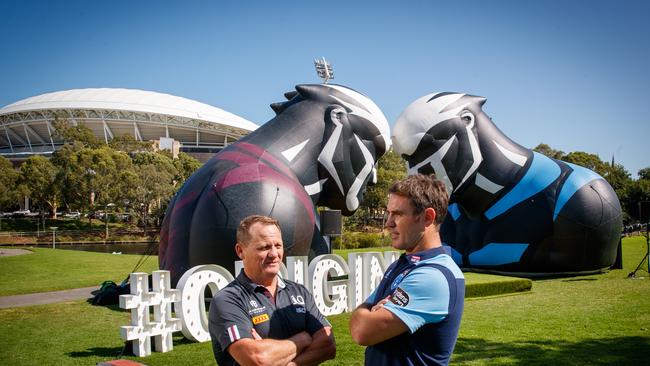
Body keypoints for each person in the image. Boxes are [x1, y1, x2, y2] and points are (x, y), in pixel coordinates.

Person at [349, 174, 465, 366]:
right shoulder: (403, 263)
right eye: (389, 213)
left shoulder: (434, 276)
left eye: (398, 214)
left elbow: (361, 332)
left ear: (427, 217)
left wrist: (365, 312)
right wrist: (368, 312)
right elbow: (363, 319)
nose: (388, 223)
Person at [208, 215, 336, 366]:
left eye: (278, 245)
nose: (274, 254)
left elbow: (328, 345)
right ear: (240, 250)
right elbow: (258, 359)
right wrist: (304, 339)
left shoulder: (299, 292)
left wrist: (287, 362)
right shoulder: (227, 300)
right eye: (264, 247)